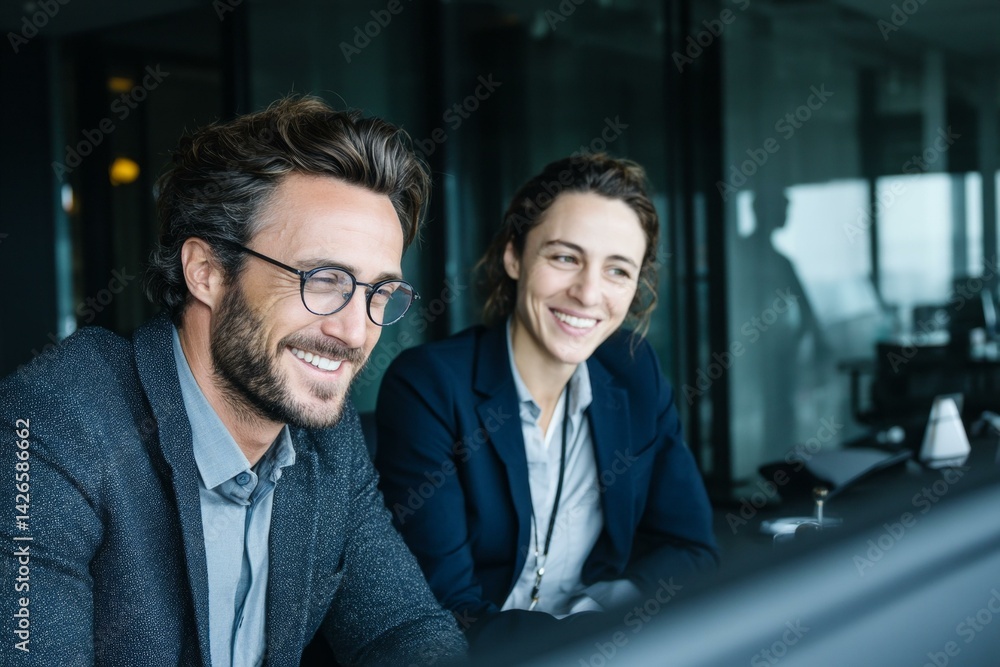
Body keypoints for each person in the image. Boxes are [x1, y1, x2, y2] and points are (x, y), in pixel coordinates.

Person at [0, 97, 465, 666]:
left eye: (379, 293)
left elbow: (403, 630)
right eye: (324, 279)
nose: (353, 330)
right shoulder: (55, 419)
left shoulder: (326, 438)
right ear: (208, 272)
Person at [374, 154, 719, 647]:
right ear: (514, 255)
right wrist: (590, 634)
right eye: (565, 257)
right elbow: (444, 612)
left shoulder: (635, 372)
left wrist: (601, 614)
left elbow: (691, 549)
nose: (587, 293)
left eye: (618, 271)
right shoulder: (429, 387)